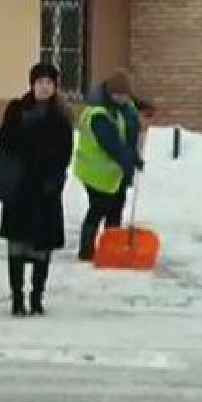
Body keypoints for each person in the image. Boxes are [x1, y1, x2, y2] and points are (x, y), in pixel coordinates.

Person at [0, 63, 75, 315]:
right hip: (19, 188)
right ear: (32, 84)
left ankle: (37, 296)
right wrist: (20, 127)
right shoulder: (17, 109)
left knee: (42, 248)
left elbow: (65, 152)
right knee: (17, 245)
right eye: (40, 82)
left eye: (49, 83)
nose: (44, 87)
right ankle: (17, 298)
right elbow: (3, 142)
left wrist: (55, 180)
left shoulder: (61, 116)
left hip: (45, 190)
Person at [72, 73, 145, 262]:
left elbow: (130, 127)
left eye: (125, 95)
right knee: (98, 208)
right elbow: (112, 144)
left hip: (117, 172)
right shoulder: (98, 115)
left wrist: (132, 156)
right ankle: (86, 252)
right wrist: (131, 159)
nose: (122, 99)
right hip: (95, 172)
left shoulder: (126, 107)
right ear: (109, 94)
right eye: (118, 95)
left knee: (116, 208)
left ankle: (111, 249)